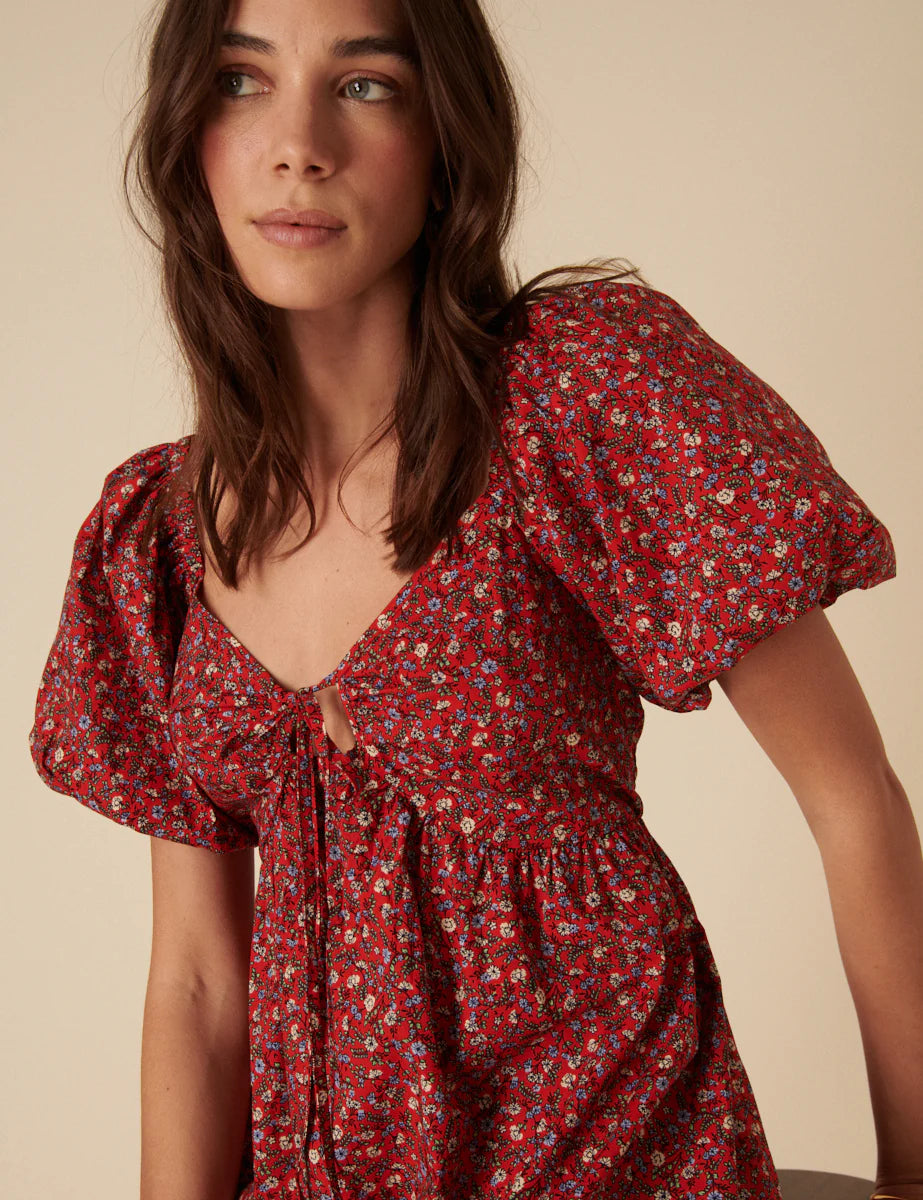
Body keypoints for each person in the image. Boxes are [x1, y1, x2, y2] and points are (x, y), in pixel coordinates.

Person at [27, 0, 922, 1198]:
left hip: (613, 1151)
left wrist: (912, 1173)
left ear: (447, 136)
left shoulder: (577, 394)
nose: (297, 146)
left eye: (365, 85)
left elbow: (851, 797)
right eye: (242, 81)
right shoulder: (159, 539)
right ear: (187, 135)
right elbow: (195, 982)